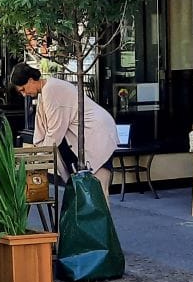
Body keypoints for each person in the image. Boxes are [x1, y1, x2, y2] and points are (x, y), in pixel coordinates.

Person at [10, 62, 119, 195]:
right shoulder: (46, 91)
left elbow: (55, 130)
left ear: (31, 80)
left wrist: (40, 156)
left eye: (23, 89)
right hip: (86, 136)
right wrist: (39, 153)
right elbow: (45, 128)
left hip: (95, 135)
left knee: (97, 192)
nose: (23, 94)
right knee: (88, 192)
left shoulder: (51, 89)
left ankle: (100, 215)